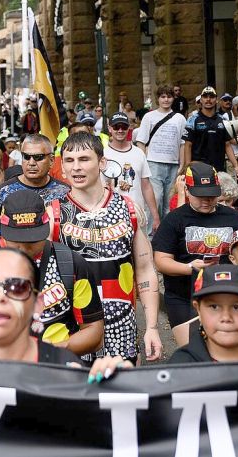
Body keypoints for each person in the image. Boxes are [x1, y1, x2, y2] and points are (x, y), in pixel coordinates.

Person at [0, 190, 105, 356]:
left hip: (50, 371)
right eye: (18, 240)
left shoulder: (71, 264)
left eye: (33, 240)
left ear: (46, 225)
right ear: (2, 226)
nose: (25, 248)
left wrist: (48, 353)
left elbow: (94, 331)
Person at [51, 132, 163, 362]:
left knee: (122, 395)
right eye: (70, 161)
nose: (76, 168)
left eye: (84, 159)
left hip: (120, 329)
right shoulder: (53, 213)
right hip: (72, 329)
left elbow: (144, 269)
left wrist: (151, 327)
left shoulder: (128, 209)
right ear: (62, 167)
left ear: (102, 162)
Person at [152, 161, 238, 346]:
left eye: (211, 195)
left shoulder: (234, 217)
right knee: (193, 349)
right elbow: (162, 260)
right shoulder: (174, 219)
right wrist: (190, 268)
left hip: (225, 294)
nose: (206, 200)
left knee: (225, 348)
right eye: (200, 195)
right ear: (187, 191)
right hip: (184, 296)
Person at [166, 264, 238, 363]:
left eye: (236, 307)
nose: (226, 318)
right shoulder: (181, 366)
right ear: (198, 310)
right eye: (214, 307)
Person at [0, 134, 70, 239]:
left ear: (51, 161)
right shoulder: (5, 190)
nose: (31, 163)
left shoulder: (65, 192)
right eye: (26, 157)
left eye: (38, 157)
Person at [103, 112, 161, 234]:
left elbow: (146, 186)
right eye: (116, 127)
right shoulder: (102, 154)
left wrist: (155, 216)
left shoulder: (139, 153)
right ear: (110, 129)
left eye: (123, 127)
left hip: (137, 214)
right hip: (111, 216)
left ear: (129, 128)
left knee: (142, 251)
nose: (120, 130)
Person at [136, 86, 186, 222]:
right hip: (153, 162)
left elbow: (183, 143)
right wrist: (143, 162)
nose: (166, 99)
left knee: (169, 201)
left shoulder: (180, 118)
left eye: (169, 96)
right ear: (157, 99)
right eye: (163, 97)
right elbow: (141, 142)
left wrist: (182, 164)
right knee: (155, 198)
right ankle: (150, 233)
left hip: (173, 164)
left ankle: (168, 232)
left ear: (173, 98)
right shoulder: (149, 117)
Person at [183, 86, 238, 176]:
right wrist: (188, 168)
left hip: (219, 169)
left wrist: (236, 166)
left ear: (216, 100)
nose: (208, 100)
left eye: (211, 97)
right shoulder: (193, 120)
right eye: (205, 97)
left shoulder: (222, 120)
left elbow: (227, 145)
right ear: (201, 100)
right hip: (198, 169)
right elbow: (188, 146)